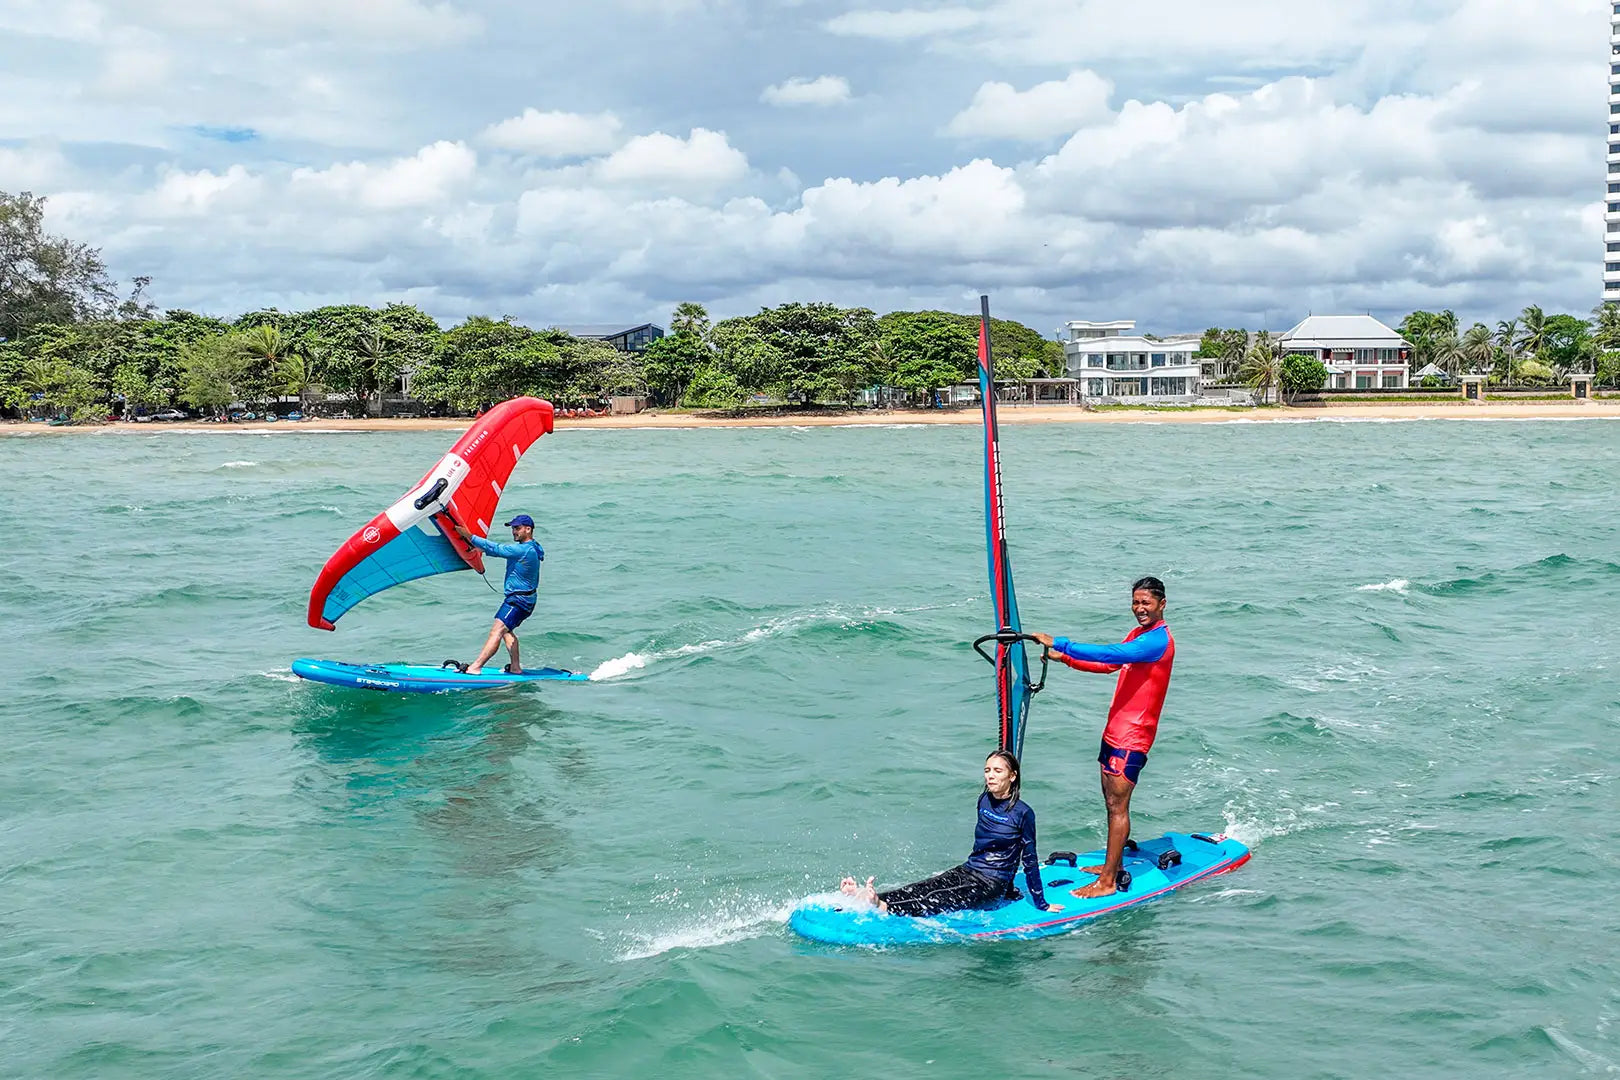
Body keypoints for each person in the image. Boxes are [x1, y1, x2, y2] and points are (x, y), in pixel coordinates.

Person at [1032, 575, 1174, 900]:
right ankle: (1114, 863)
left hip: (1133, 737)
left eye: (1146, 603)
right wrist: (1065, 659)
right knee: (1111, 803)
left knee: (1117, 806)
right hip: (1115, 731)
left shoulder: (1157, 641)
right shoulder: (1139, 634)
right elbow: (1108, 667)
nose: (1139, 608)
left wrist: (1061, 643)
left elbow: (1110, 654)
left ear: (1162, 604)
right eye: (1135, 602)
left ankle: (1109, 880)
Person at [839, 751, 1061, 917]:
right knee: (924, 886)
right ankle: (865, 897)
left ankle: (883, 906)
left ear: (1012, 776)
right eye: (987, 770)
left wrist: (1041, 903)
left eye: (997, 771)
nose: (990, 776)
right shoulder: (983, 800)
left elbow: (1028, 860)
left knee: (938, 898)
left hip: (991, 885)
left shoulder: (1023, 813)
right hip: (968, 869)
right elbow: (993, 846)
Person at [452, 514, 544, 675]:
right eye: (513, 528)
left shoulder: (524, 549)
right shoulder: (533, 547)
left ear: (528, 529)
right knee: (506, 631)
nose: (514, 531)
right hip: (525, 599)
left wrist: (469, 536)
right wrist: (482, 549)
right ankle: (515, 667)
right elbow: (501, 552)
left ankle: (476, 667)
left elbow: (497, 548)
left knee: (497, 631)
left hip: (518, 601)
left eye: (517, 528)